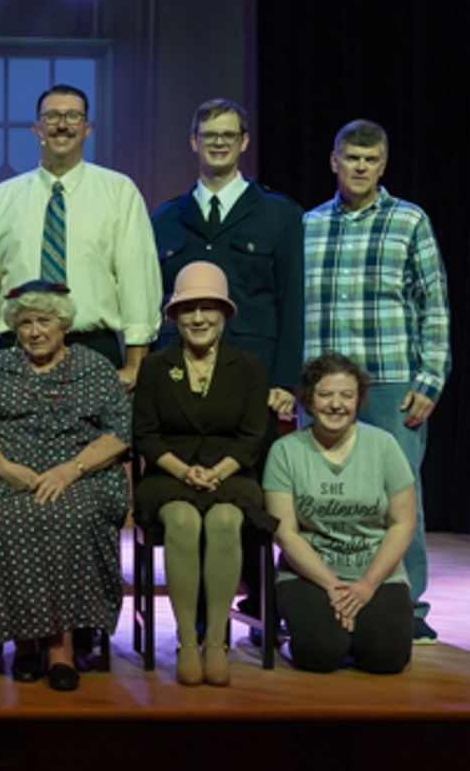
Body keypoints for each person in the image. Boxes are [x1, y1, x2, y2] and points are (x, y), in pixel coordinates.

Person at [150, 99, 303, 631]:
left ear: (244, 142)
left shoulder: (280, 215)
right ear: (193, 142)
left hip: (256, 381)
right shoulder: (166, 218)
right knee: (188, 493)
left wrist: (286, 380)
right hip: (183, 381)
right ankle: (195, 615)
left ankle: (261, 603)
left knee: (252, 489)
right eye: (207, 134)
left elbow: (293, 300)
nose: (218, 142)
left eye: (228, 134)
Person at [302, 119, 450, 644]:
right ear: (334, 161)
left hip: (389, 382)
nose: (360, 167)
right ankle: (321, 597)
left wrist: (430, 380)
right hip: (320, 388)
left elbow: (435, 306)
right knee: (315, 496)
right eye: (352, 157)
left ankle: (407, 605)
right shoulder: (309, 225)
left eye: (371, 159)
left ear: (383, 165)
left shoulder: (409, 221)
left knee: (399, 495)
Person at [0, 282, 131, 692]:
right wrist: (5, 468)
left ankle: (60, 646)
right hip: (5, 473)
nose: (35, 331)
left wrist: (71, 469)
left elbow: (119, 433)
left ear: (63, 325)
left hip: (79, 472)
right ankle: (24, 643)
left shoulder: (94, 367)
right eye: (26, 323)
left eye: (44, 321)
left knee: (70, 514)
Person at [132, 262, 274, 686]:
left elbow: (253, 434)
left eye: (208, 308)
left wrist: (217, 471)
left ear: (225, 314)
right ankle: (185, 642)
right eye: (188, 309)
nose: (197, 318)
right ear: (175, 315)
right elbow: (146, 435)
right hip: (168, 472)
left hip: (230, 471)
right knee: (182, 519)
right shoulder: (156, 367)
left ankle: (215, 640)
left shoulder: (248, 367)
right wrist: (183, 470)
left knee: (226, 519)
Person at [0, 84, 161, 389]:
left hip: (93, 348)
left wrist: (135, 363)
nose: (61, 125)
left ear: (86, 129)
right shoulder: (3, 198)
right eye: (52, 117)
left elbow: (137, 276)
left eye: (73, 116)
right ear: (36, 129)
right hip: (17, 351)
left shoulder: (119, 192)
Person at [263, 353, 417, 674]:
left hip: (374, 571)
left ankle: (357, 633)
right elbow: (285, 533)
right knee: (319, 654)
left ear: (358, 400)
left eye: (346, 395)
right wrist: (332, 585)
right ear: (308, 398)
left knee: (386, 658)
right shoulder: (285, 451)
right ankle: (305, 637)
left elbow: (403, 523)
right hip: (310, 572)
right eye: (325, 395)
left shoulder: (384, 446)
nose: (336, 404)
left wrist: (368, 585)